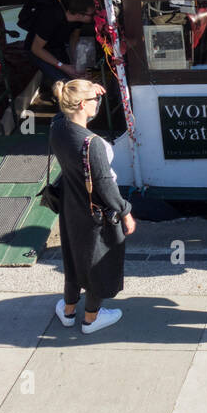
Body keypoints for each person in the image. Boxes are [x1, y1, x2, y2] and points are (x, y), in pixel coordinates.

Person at [51, 79, 134, 334]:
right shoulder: (92, 143)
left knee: (74, 258)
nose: (98, 104)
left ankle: (68, 311)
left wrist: (86, 89)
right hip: (95, 212)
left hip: (70, 206)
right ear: (81, 104)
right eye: (94, 100)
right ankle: (91, 318)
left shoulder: (58, 128)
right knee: (98, 262)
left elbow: (61, 111)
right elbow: (105, 186)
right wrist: (125, 211)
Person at [26, 0, 96, 84]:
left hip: (57, 46)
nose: (94, 17)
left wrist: (77, 64)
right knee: (65, 82)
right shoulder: (53, 17)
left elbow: (74, 38)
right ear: (80, 14)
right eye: (92, 14)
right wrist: (62, 66)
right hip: (37, 50)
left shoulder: (78, 21)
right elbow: (36, 48)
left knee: (76, 77)